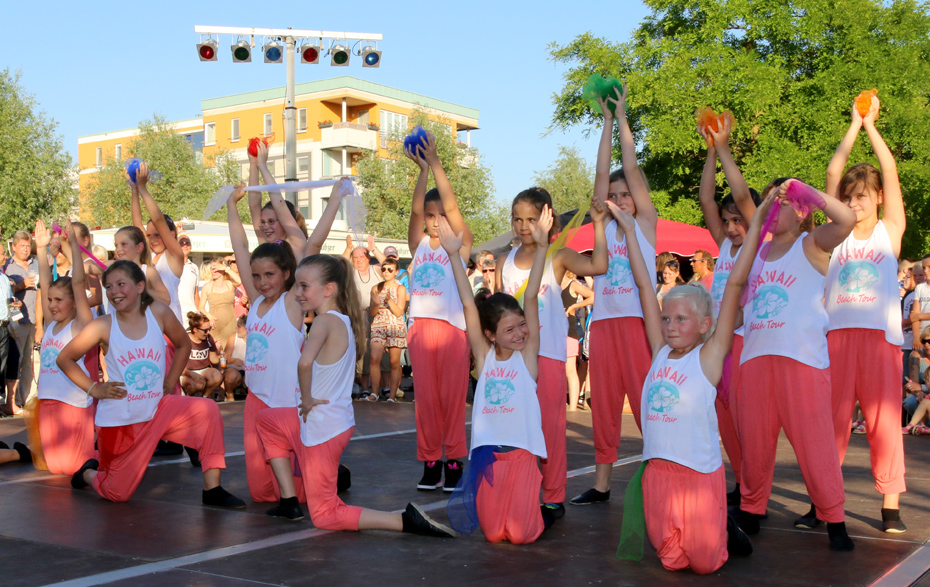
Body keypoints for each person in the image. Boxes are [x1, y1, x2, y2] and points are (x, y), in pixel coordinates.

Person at [256, 254, 454, 539]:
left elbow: (304, 363)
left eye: (302, 286)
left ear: (328, 290)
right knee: (267, 420)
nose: (296, 293)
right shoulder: (342, 320)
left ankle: (401, 520)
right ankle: (289, 500)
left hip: (322, 428)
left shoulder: (324, 322)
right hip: (331, 421)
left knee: (324, 515)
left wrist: (308, 398)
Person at [616, 186, 759, 573]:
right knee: (672, 562)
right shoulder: (660, 350)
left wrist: (757, 225)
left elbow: (732, 287)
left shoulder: (708, 356)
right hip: (658, 473)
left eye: (681, 319)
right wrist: (630, 232)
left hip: (697, 475)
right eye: (666, 319)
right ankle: (715, 524)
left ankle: (721, 529)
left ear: (704, 325)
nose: (671, 326)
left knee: (705, 564)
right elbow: (645, 284)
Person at [57, 260, 244, 508]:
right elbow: (65, 358)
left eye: (121, 284)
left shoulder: (158, 312)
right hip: (121, 421)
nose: (114, 292)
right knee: (117, 493)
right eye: (109, 287)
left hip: (158, 409)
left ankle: (213, 488)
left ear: (140, 286)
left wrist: (170, 380)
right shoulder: (103, 325)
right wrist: (94, 389)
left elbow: (183, 345)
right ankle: (88, 474)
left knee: (207, 410)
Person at [737, 178, 856, 552]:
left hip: (802, 360)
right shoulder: (755, 251)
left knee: (814, 444)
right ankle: (751, 509)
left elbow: (847, 220)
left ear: (802, 209)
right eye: (771, 202)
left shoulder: (812, 244)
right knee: (754, 442)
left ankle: (834, 518)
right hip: (755, 358)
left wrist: (809, 193)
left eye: (784, 203)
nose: (775, 209)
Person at [810, 92, 908, 533]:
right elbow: (832, 172)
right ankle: (824, 505)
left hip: (880, 341)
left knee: (883, 424)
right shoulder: (835, 234)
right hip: (835, 338)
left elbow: (889, 169)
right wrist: (852, 125)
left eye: (863, 196)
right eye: (849, 197)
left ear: (879, 199)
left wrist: (871, 126)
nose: (854, 203)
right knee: (830, 426)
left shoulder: (890, 232)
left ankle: (890, 508)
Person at [442, 205, 555, 543]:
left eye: (521, 325)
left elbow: (532, 297)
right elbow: (466, 304)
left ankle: (544, 513)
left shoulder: (528, 357)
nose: (520, 333)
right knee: (493, 534)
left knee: (519, 535)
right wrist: (453, 256)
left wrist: (543, 247)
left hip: (520, 455)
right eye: (510, 329)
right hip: (489, 456)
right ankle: (528, 512)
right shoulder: (484, 356)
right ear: (490, 335)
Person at [228, 181, 347, 502]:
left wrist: (335, 199)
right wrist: (230, 206)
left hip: (286, 400)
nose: (262, 282)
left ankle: (330, 470)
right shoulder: (256, 302)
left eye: (269, 275)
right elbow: (240, 247)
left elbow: (311, 243)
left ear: (286, 275)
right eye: (256, 276)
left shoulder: (292, 303)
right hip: (257, 398)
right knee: (261, 493)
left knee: (308, 494)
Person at [496, 186, 608, 516]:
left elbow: (599, 265)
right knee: (516, 427)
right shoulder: (505, 260)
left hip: (548, 355)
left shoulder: (559, 257)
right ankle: (522, 488)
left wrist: (599, 224)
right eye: (517, 219)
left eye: (532, 218)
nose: (523, 225)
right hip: (513, 360)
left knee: (549, 429)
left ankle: (553, 496)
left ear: (548, 218)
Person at [572, 83, 658, 507]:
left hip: (642, 326)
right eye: (616, 195)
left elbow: (631, 168)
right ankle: (602, 486)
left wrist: (623, 118)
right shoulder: (603, 226)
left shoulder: (644, 226)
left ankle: (662, 473)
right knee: (604, 408)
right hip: (604, 325)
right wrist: (605, 120)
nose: (621, 199)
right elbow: (603, 173)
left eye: (628, 195)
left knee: (647, 406)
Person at [698, 115, 762, 505]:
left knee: (744, 421)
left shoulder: (758, 244)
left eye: (739, 220)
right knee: (723, 418)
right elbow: (707, 198)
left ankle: (753, 489)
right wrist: (709, 150)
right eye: (727, 222)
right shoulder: (724, 246)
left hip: (741, 343)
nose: (733, 227)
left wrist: (724, 147)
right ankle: (742, 485)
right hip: (717, 345)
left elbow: (741, 200)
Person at [405, 130, 472, 492]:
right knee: (427, 401)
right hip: (421, 329)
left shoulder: (459, 244)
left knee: (452, 399)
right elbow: (416, 210)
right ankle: (431, 461)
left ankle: (454, 461)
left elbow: (453, 208)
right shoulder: (418, 245)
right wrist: (421, 172)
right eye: (430, 216)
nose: (434, 220)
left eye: (440, 214)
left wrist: (437, 164)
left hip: (452, 330)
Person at [33, 221, 96, 475]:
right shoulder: (51, 326)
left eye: (59, 300)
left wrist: (73, 249)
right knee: (56, 468)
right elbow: (46, 282)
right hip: (49, 403)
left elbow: (79, 283)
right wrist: (41, 249)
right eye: (50, 301)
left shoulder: (79, 326)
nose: (52, 305)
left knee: (74, 468)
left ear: (73, 303)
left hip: (73, 404)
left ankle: (119, 458)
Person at [130, 163, 185, 321]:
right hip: (150, 322)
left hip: (170, 325)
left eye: (157, 235)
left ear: (171, 234)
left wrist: (143, 188)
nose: (152, 240)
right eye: (149, 235)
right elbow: (137, 225)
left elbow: (158, 220)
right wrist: (134, 188)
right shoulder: (149, 254)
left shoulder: (174, 255)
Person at [343, 236, 384, 400]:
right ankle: (362, 385)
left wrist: (373, 248)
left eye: (362, 257)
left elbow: (388, 263)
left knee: (375, 352)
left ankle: (377, 387)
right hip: (357, 314)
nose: (359, 260)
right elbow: (339, 263)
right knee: (360, 350)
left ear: (368, 258)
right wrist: (348, 248)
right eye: (355, 257)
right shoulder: (351, 272)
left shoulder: (376, 269)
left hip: (376, 315)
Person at [248, 142, 308, 252]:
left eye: (271, 221)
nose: (265, 226)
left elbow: (279, 203)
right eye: (263, 221)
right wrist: (253, 164)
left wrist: (262, 166)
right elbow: (254, 206)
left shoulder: (296, 243)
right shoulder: (265, 242)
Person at [4, 230, 40, 415]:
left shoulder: (35, 263)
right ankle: (12, 401)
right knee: (14, 361)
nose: (26, 249)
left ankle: (26, 400)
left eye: (28, 245)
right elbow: (7, 297)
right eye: (22, 246)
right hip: (16, 321)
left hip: (34, 319)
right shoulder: (8, 267)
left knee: (30, 361)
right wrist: (21, 285)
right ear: (14, 247)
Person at [368, 257, 408, 402]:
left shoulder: (400, 288)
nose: (386, 272)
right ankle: (374, 393)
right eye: (384, 269)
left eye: (390, 269)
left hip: (394, 325)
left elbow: (399, 312)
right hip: (379, 324)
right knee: (374, 358)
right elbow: (372, 313)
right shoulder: (376, 288)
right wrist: (377, 303)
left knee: (394, 362)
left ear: (396, 272)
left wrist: (390, 301)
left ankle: (392, 395)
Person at [563, 271, 593, 412]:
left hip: (569, 330)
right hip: (553, 330)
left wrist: (574, 306)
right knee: (558, 369)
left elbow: (592, 296)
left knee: (570, 370)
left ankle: (573, 408)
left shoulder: (572, 284)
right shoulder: (552, 284)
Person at [180, 311, 223, 401]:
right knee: (198, 384)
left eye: (209, 329)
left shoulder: (208, 338)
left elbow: (214, 359)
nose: (207, 332)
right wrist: (190, 373)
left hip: (203, 369)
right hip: (186, 372)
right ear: (195, 329)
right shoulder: (185, 340)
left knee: (217, 376)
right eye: (205, 330)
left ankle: (205, 398)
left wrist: (221, 357)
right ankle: (187, 398)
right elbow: (177, 364)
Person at [199, 258, 240, 345]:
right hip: (215, 324)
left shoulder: (229, 284)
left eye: (215, 268)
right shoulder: (207, 286)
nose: (213, 271)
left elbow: (239, 281)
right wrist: (208, 316)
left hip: (230, 323)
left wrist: (226, 268)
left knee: (230, 352)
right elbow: (200, 307)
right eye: (211, 268)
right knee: (216, 351)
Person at [224, 315, 248, 401]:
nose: (236, 329)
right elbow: (225, 358)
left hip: (249, 370)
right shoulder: (234, 337)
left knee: (253, 377)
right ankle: (229, 396)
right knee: (231, 375)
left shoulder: (256, 338)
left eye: (239, 326)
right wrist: (233, 360)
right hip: (235, 370)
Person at [177, 235, 200, 321]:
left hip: (191, 314)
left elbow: (196, 294)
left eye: (187, 243)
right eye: (181, 243)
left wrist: (198, 313)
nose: (185, 245)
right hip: (176, 313)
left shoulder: (194, 267)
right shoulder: (171, 265)